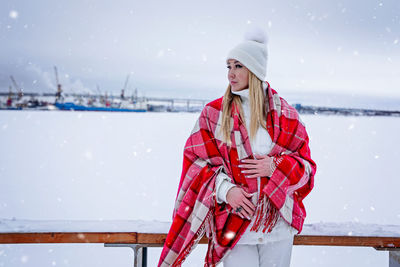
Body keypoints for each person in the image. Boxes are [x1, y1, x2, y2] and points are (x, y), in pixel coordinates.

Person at [158, 28, 317, 267]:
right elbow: (195, 164)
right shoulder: (214, 114)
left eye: (238, 66)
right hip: (235, 224)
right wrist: (225, 190)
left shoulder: (286, 114)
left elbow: (307, 169)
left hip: (278, 225)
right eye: (229, 66)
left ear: (254, 70)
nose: (231, 74)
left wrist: (276, 166)